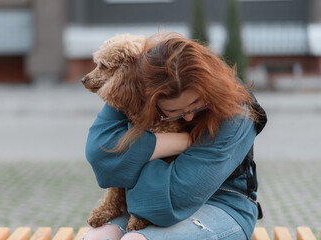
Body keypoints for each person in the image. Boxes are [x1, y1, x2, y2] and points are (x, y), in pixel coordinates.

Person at [83, 32, 267, 240]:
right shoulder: (136, 85)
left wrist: (129, 163)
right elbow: (100, 157)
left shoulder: (236, 112)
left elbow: (171, 198)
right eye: (173, 112)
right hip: (139, 205)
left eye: (197, 105)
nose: (188, 118)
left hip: (223, 202)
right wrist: (175, 143)